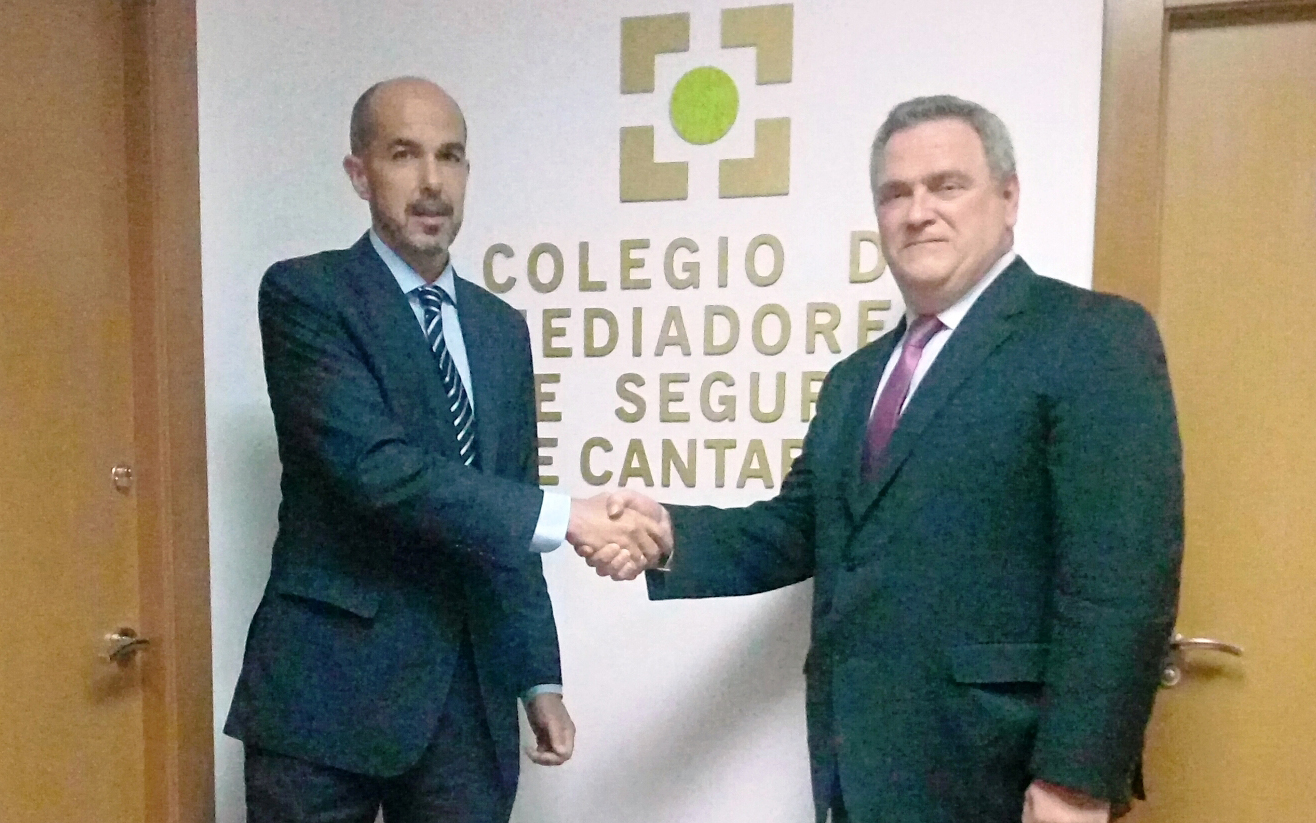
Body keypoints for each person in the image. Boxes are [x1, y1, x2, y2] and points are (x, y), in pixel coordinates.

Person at [586, 95, 1183, 823]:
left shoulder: (1091, 338)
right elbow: (798, 526)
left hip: (1003, 772)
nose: (918, 212)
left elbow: (1123, 582)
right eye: (896, 194)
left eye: (946, 186)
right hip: (859, 765)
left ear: (1007, 198)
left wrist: (1076, 779)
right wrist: (666, 533)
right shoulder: (856, 379)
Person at [225, 76, 670, 823]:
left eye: (450, 156)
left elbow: (508, 501)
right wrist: (571, 516)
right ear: (360, 174)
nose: (432, 181)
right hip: (326, 697)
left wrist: (538, 679)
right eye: (404, 154)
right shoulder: (307, 296)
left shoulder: (500, 329)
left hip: (466, 706)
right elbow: (378, 470)